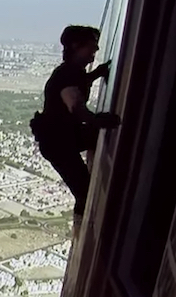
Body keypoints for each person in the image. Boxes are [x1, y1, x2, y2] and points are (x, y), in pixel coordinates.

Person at [30, 25, 120, 229]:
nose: (95, 49)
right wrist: (99, 120)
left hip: (64, 137)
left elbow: (80, 84)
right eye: (91, 45)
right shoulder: (68, 75)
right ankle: (83, 230)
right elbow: (76, 106)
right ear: (76, 46)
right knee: (84, 192)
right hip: (59, 144)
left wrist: (97, 73)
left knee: (86, 183)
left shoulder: (71, 72)